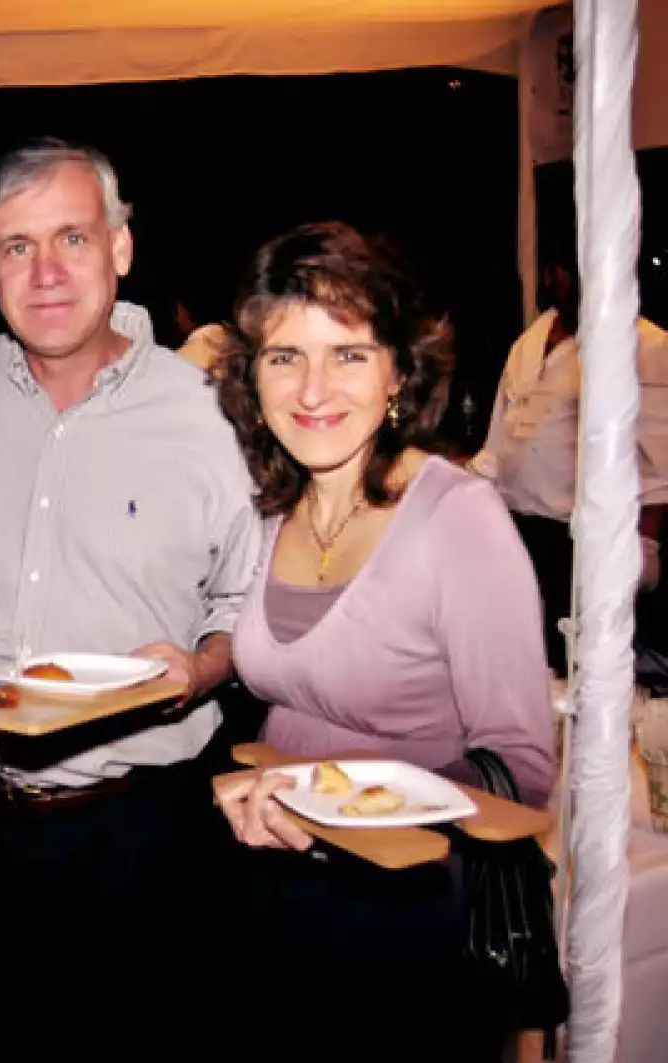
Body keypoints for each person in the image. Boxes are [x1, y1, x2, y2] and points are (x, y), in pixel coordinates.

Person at [0, 137, 260, 1060]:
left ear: (121, 247)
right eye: (18, 247)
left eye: (73, 236)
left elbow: (247, 604)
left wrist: (200, 666)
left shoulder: (214, 415)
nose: (49, 271)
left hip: (143, 829)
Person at [209, 222, 558, 1062]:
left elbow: (522, 766)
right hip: (273, 897)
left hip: (412, 923)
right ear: (253, 378)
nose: (313, 386)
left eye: (350, 353)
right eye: (285, 355)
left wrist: (336, 806)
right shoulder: (272, 510)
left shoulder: (456, 519)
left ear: (400, 371)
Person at [471, 246, 667, 672]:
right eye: (556, 268)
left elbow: (658, 463)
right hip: (514, 527)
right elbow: (498, 439)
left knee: (580, 666)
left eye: (567, 270)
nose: (556, 278)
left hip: (582, 540)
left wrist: (645, 545)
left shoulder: (645, 345)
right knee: (517, 657)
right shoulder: (531, 338)